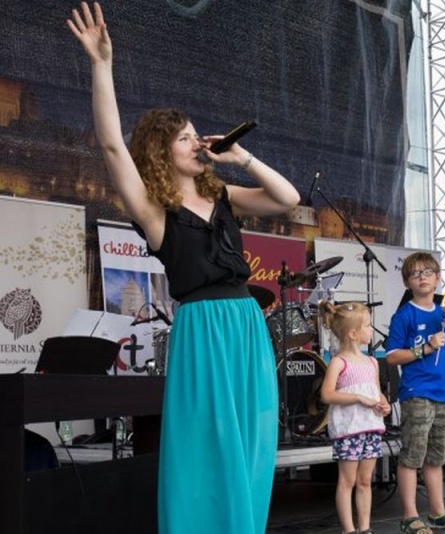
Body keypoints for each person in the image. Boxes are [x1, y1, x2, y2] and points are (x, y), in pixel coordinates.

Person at [67, 3, 301, 532]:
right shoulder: (156, 211)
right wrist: (102, 65)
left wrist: (240, 158)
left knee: (253, 439)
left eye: (197, 134)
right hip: (203, 328)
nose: (197, 142)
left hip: (246, 324)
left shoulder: (225, 195)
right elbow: (110, 146)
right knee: (206, 447)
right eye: (184, 138)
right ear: (160, 152)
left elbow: (286, 198)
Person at [384, 252, 445, 534]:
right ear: (407, 282)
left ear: (437, 278)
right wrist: (424, 348)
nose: (422, 276)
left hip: (444, 395)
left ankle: (438, 512)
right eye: (415, 273)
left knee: (436, 458)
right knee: (412, 456)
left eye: (427, 271)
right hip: (417, 393)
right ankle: (410, 515)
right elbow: (391, 357)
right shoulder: (404, 315)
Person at [318, 302, 391, 534]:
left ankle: (365, 527)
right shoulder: (339, 362)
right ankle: (348, 529)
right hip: (349, 430)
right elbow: (327, 395)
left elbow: (376, 390)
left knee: (365, 480)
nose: (371, 330)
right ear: (353, 333)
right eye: (367, 326)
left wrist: (383, 402)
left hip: (370, 427)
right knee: (347, 481)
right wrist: (359, 398)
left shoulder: (371, 362)